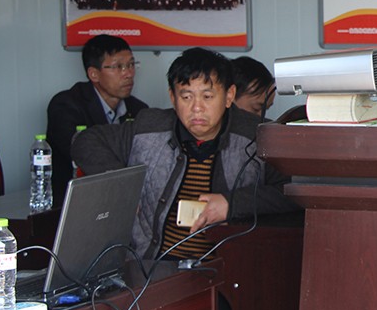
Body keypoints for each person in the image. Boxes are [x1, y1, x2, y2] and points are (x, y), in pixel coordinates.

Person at [71, 47, 298, 262]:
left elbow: (294, 190)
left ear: (229, 96)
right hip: (151, 264)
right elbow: (85, 141)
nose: (197, 108)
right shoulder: (149, 126)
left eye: (207, 96)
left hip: (228, 270)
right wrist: (123, 185)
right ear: (173, 97)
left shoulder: (258, 135)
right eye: (187, 97)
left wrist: (232, 204)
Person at [46, 35, 148, 204]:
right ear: (94, 74)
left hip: (125, 201)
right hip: (75, 202)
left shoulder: (139, 110)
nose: (129, 74)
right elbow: (82, 152)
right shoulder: (66, 105)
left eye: (131, 64)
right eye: (118, 67)